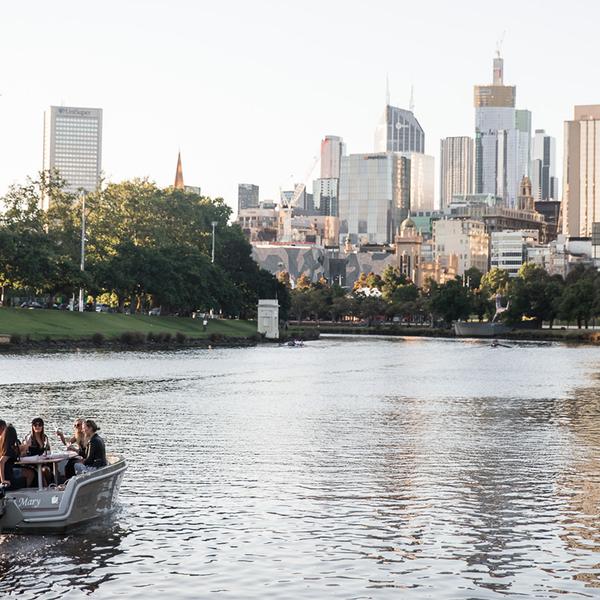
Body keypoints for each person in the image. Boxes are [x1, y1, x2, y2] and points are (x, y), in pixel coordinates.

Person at [0, 424, 33, 489]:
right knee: (31, 475)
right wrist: (3, 480)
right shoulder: (8, 450)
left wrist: (27, 444)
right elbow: (1, 461)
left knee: (31, 472)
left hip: (10, 472)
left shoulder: (7, 447)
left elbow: (21, 449)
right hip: (8, 478)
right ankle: (25, 491)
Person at [23, 418, 52, 486]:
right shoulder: (29, 438)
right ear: (32, 427)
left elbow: (48, 451)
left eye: (40, 425)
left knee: (47, 469)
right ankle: (44, 487)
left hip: (42, 462)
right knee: (42, 470)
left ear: (42, 426)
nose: (37, 427)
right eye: (35, 425)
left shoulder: (45, 437)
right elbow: (24, 452)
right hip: (31, 463)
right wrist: (27, 446)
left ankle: (49, 486)